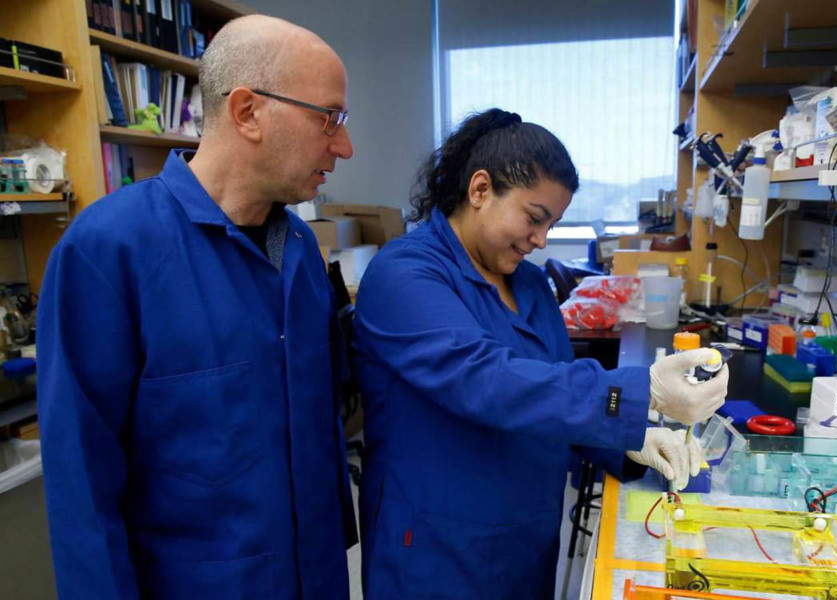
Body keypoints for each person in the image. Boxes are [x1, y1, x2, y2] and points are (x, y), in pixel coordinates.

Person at [37, 16, 357, 599]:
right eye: (328, 118)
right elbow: (82, 488)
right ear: (247, 112)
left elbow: (322, 422)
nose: (344, 145)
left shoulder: (302, 248)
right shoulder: (107, 251)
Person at [352, 109, 728, 599]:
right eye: (534, 218)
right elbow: (488, 381)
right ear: (480, 190)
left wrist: (631, 442)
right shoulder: (403, 275)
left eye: (552, 223)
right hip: (437, 547)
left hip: (525, 537)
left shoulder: (528, 283)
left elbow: (556, 383)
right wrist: (643, 392)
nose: (542, 240)